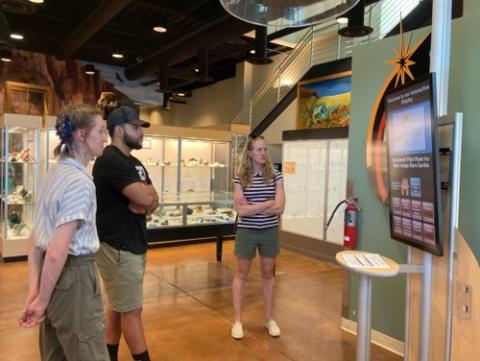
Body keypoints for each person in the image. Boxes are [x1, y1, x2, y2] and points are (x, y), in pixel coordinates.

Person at [18, 105, 108, 360]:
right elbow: (58, 252)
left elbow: (36, 239)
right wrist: (41, 301)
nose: (105, 137)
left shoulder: (53, 174)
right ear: (81, 134)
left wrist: (35, 292)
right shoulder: (79, 182)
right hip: (74, 276)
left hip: (52, 276)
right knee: (87, 350)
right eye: (101, 131)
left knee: (55, 352)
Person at [93, 106, 159, 361]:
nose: (141, 132)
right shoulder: (110, 159)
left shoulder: (135, 163)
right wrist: (144, 199)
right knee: (132, 312)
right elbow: (145, 196)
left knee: (119, 307)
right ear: (119, 130)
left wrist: (145, 202)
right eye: (136, 127)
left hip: (132, 245)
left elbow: (154, 199)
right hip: (118, 247)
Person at [231, 135, 285, 340]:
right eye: (259, 150)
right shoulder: (239, 178)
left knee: (267, 274)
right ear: (250, 153)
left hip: (269, 231)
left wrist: (252, 206)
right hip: (247, 231)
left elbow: (279, 207)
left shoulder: (276, 176)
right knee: (241, 273)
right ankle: (237, 320)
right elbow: (241, 211)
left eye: (265, 149)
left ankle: (270, 319)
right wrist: (266, 204)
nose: (264, 153)